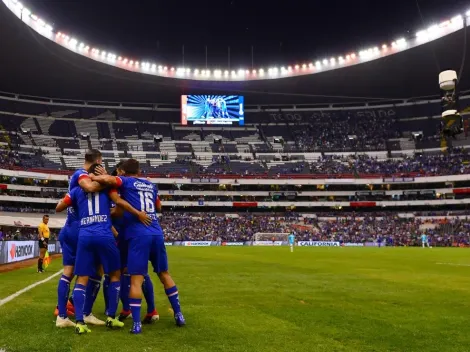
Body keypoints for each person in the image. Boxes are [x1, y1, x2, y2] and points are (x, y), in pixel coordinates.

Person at [91, 158, 185, 334]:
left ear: (124, 171)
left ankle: (136, 324)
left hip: (136, 234)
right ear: (140, 171)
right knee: (164, 274)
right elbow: (159, 206)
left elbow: (110, 186)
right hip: (156, 232)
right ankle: (179, 314)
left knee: (135, 278)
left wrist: (101, 175)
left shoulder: (125, 181)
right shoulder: (151, 185)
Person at [57, 163, 151, 334]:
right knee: (115, 274)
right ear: (100, 173)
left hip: (84, 236)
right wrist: (108, 213)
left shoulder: (77, 191)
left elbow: (58, 208)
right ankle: (111, 317)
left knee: (82, 278)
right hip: (104, 235)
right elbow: (119, 211)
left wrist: (75, 207)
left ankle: (79, 321)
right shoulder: (108, 188)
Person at [54, 149, 108, 328]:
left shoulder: (76, 180)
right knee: (94, 270)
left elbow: (59, 206)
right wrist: (109, 181)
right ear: (98, 161)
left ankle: (62, 316)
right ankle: (85, 313)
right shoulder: (82, 175)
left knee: (68, 272)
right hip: (81, 229)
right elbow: (91, 188)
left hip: (69, 228)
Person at [108, 162, 160, 324]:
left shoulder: (124, 188)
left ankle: (148, 309)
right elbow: (157, 206)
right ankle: (129, 308)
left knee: (131, 273)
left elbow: (117, 211)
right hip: (126, 234)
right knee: (125, 272)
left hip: (129, 234)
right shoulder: (117, 188)